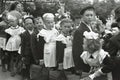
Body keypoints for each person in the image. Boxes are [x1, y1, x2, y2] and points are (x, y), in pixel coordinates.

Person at [72, 6, 96, 75]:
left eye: (91, 15)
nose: (89, 17)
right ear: (82, 16)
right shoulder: (79, 30)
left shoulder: (91, 27)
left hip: (91, 59)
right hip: (84, 61)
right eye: (87, 15)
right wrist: (78, 67)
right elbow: (77, 50)